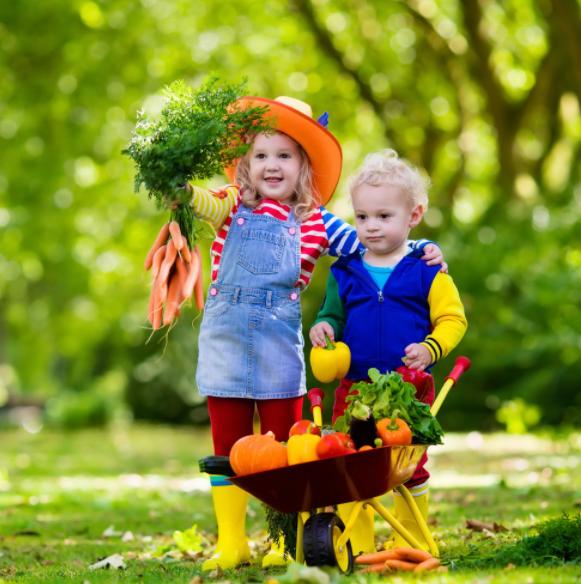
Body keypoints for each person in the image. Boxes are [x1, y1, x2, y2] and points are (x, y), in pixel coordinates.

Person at [171, 98, 446, 570]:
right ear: (245, 165)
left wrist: (420, 247)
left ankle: (283, 541)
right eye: (261, 155)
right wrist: (177, 185)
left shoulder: (317, 221)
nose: (271, 166)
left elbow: (374, 243)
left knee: (284, 448)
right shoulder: (229, 204)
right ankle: (232, 542)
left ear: (303, 166)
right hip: (226, 340)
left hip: (279, 343)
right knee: (228, 448)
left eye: (284, 155)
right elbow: (197, 201)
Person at [309, 149, 467, 553]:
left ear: (413, 216)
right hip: (356, 388)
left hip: (408, 388)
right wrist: (324, 327)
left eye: (384, 216)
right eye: (362, 217)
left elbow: (453, 319)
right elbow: (331, 316)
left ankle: (410, 540)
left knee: (408, 465)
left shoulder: (427, 270)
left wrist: (432, 349)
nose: (371, 227)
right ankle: (356, 544)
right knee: (352, 460)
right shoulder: (344, 271)